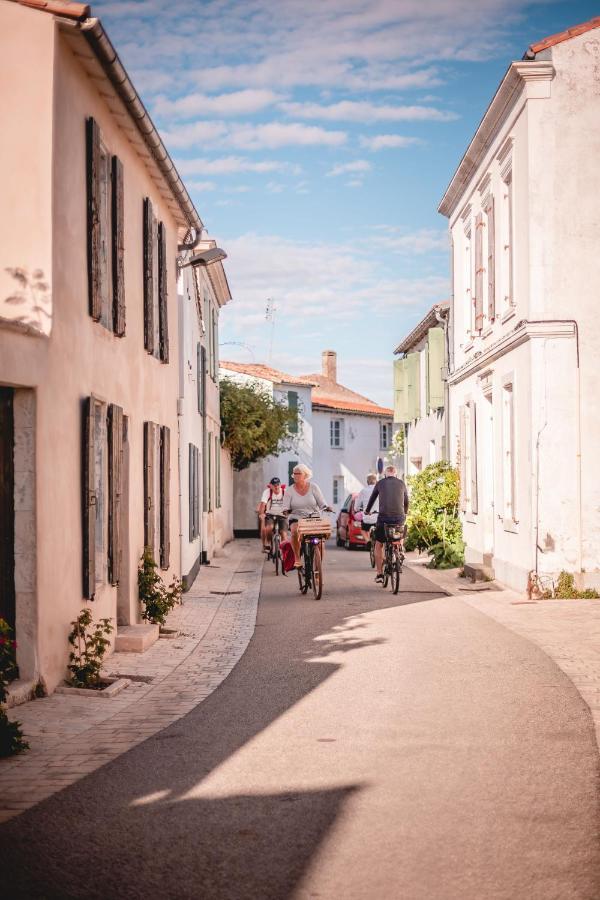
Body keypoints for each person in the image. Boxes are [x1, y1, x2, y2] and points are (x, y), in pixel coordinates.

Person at [364, 464, 409, 582]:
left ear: (385, 474)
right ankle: (400, 549)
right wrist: (405, 512)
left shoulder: (380, 483)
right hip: (399, 518)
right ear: (396, 474)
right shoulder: (401, 483)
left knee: (378, 544)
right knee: (400, 532)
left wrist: (367, 511)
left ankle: (379, 574)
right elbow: (406, 500)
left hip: (384, 519)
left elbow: (372, 498)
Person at [282, 464, 331, 567]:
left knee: (321, 543)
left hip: (313, 518)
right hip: (296, 518)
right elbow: (285, 506)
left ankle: (318, 568)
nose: (295, 475)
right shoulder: (289, 491)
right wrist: (286, 511)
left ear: (305, 475)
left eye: (298, 473)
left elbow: (322, 503)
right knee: (294, 532)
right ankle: (297, 559)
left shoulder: (314, 487)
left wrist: (326, 507)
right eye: (294, 473)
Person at [258, 477, 287, 552]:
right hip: (270, 514)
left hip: (282, 515)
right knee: (269, 528)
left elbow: (290, 504)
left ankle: (285, 551)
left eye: (278, 484)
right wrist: (261, 514)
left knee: (283, 533)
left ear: (280, 485)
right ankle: (269, 543)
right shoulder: (267, 492)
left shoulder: (285, 492)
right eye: (274, 485)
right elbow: (263, 504)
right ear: (270, 486)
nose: (276, 486)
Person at [355, 473, 379, 541]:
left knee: (363, 530)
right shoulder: (380, 490)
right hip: (377, 518)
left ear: (367, 482)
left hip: (367, 518)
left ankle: (368, 541)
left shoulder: (363, 491)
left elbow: (356, 507)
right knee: (379, 532)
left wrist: (358, 509)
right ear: (376, 481)